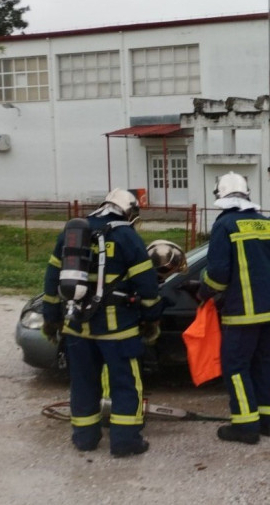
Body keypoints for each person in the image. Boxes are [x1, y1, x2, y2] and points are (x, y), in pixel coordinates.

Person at [41, 188, 162, 457]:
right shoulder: (127, 236)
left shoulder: (73, 232)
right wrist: (151, 318)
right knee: (125, 385)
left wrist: (51, 318)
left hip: (77, 329)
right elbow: (147, 285)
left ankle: (84, 439)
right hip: (118, 331)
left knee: (83, 385)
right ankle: (125, 442)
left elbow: (52, 278)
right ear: (128, 210)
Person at [197, 172, 270, 444]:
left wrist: (204, 292)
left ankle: (245, 426)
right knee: (266, 366)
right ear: (247, 194)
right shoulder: (269, 224)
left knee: (236, 367)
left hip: (242, 313)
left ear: (220, 195)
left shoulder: (224, 225)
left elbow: (218, 274)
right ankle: (267, 422)